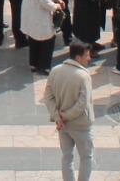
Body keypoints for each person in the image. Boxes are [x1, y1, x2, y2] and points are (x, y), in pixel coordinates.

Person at [44, 40, 96, 181]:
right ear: (78, 58)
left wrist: (58, 117)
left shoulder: (55, 71)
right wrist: (65, 116)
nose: (89, 58)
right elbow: (82, 104)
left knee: (67, 157)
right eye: (87, 56)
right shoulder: (83, 76)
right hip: (81, 126)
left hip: (62, 126)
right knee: (86, 158)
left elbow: (48, 97)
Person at [23, 0, 67, 75]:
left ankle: (34, 64)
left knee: (34, 39)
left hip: (34, 13)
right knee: (47, 40)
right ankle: (44, 66)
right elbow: (44, 1)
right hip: (40, 14)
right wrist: (56, 7)